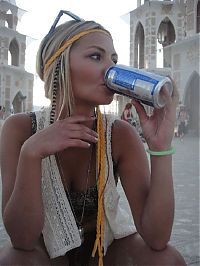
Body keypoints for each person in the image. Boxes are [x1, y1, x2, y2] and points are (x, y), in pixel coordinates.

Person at [0, 10, 186, 266]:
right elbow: (21, 240)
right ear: (59, 63)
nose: (111, 69)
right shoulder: (19, 129)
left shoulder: (119, 134)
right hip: (45, 254)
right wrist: (31, 153)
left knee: (167, 260)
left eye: (114, 59)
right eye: (96, 56)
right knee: (12, 260)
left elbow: (157, 238)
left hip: (105, 251)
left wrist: (161, 147)